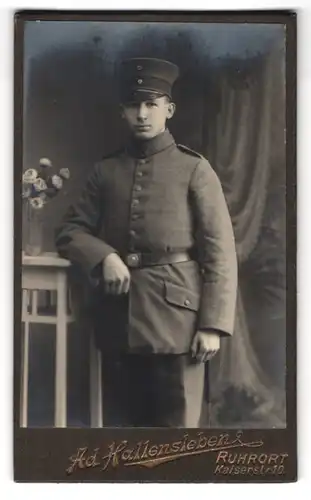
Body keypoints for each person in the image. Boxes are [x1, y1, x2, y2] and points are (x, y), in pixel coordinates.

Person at [55, 57, 238, 427]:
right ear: (122, 111)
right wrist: (104, 256)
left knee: (175, 439)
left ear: (168, 110)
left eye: (151, 104)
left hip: (178, 326)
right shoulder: (106, 171)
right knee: (125, 441)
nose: (142, 114)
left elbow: (220, 253)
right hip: (118, 323)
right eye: (134, 104)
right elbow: (70, 231)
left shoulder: (194, 169)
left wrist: (212, 325)